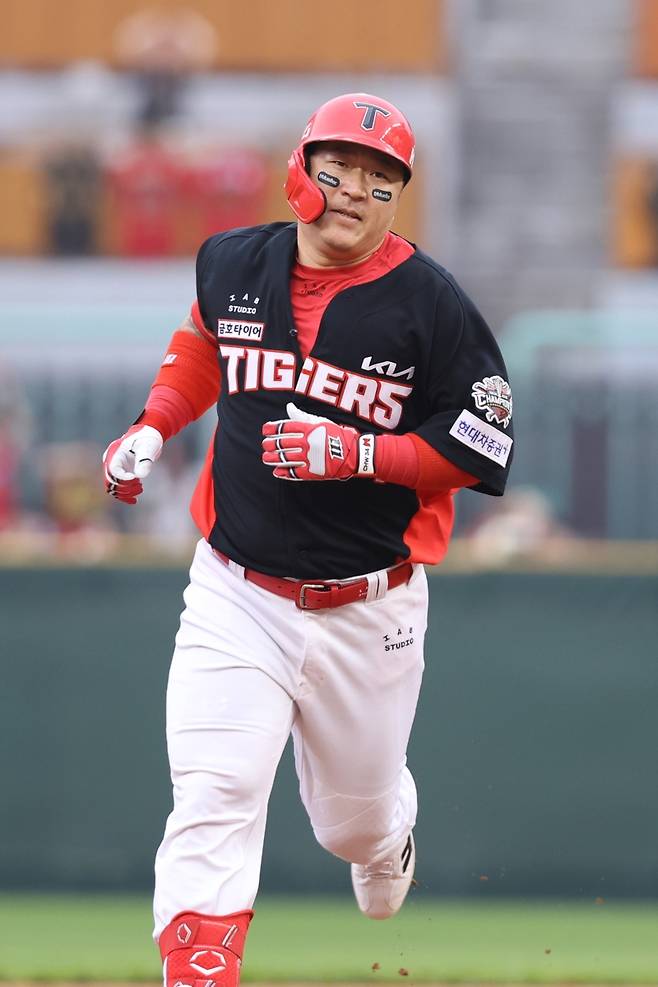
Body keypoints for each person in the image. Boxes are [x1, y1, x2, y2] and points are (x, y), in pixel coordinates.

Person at [102, 93, 514, 987]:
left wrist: (361, 451)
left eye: (381, 179)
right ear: (300, 168)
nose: (358, 190)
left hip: (370, 605)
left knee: (349, 828)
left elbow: (483, 446)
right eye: (341, 168)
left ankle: (388, 830)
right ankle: (199, 969)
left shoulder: (433, 304)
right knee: (214, 793)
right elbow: (204, 343)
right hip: (235, 588)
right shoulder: (234, 261)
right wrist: (155, 422)